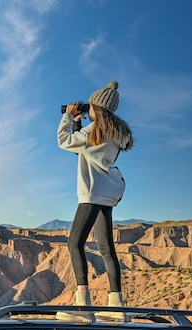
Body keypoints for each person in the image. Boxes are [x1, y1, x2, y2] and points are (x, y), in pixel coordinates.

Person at [56, 81, 134, 315]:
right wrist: (80, 121)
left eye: (90, 107)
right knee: (106, 248)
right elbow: (86, 148)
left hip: (91, 192)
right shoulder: (113, 132)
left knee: (74, 243)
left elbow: (66, 142)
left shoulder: (94, 131)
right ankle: (116, 306)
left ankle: (83, 305)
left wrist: (69, 118)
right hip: (108, 192)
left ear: (97, 108)